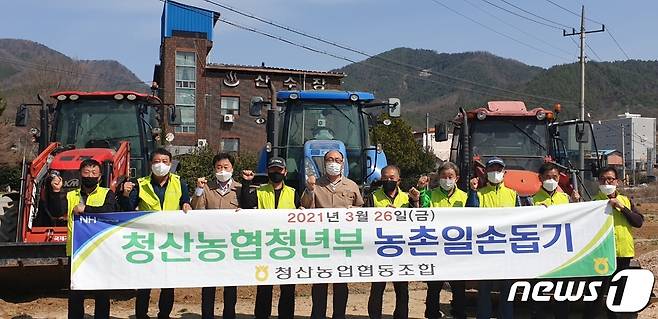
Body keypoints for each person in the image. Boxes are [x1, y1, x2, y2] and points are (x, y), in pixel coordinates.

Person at [118, 148, 192, 319]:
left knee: (167, 282)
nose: (161, 165)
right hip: (148, 239)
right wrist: (125, 194)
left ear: (170, 163)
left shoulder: (180, 183)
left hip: (170, 240)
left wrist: (187, 205)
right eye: (157, 161)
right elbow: (128, 209)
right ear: (151, 164)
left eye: (165, 161)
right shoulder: (141, 184)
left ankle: (164, 314)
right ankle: (141, 315)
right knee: (145, 282)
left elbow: (185, 202)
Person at [302, 150, 364, 319]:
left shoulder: (351, 186)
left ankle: (339, 315)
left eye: (337, 160)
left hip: (343, 241)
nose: (333, 162)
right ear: (324, 163)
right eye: (330, 159)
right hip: (321, 241)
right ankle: (318, 315)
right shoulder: (315, 184)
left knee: (341, 282)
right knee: (320, 282)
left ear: (342, 163)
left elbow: (361, 209)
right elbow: (305, 207)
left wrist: (356, 212)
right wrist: (309, 189)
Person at [240, 156, 300, 319]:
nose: (276, 173)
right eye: (273, 170)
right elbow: (246, 204)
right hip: (266, 246)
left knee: (288, 288)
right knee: (264, 287)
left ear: (285, 172)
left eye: (279, 170)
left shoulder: (293, 193)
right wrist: (246, 182)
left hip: (287, 246)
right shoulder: (259, 191)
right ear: (267, 172)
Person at [583, 166, 644, 319]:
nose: (607, 182)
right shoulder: (594, 203)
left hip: (622, 253)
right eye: (603, 179)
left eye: (610, 179)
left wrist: (621, 207)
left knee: (617, 294)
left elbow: (638, 222)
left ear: (617, 181)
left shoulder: (625, 201)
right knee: (595, 294)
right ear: (598, 182)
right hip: (600, 256)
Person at [466, 157, 521, 319]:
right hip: (485, 249)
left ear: (504, 173)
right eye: (491, 170)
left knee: (507, 289)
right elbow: (470, 214)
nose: (495, 173)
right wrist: (473, 191)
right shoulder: (479, 193)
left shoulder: (513, 194)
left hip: (506, 249)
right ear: (485, 172)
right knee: (484, 289)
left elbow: (521, 220)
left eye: (498, 170)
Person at [65, 159, 118, 319]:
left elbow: (109, 211)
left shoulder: (107, 193)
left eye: (94, 173)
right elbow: (55, 210)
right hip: (76, 251)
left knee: (102, 293)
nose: (90, 176)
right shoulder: (69, 195)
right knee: (75, 293)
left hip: (100, 251)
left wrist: (86, 209)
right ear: (80, 174)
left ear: (100, 176)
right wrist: (54, 192)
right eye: (86, 172)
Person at [191, 153, 241, 319]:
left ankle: (229, 314)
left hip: (232, 244)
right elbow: (197, 210)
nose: (222, 170)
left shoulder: (240, 189)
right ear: (214, 169)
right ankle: (207, 315)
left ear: (232, 169)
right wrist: (198, 190)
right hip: (211, 243)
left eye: (226, 167)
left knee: (230, 285)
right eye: (219, 167)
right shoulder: (206, 188)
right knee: (208, 284)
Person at [366, 165, 420, 319]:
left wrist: (415, 201)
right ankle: (374, 316)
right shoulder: (373, 196)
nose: (388, 180)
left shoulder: (407, 197)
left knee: (402, 288)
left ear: (398, 180)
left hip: (401, 249)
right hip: (379, 249)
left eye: (392, 178)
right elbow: (365, 221)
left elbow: (416, 221)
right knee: (377, 287)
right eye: (385, 178)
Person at [420, 162, 467, 319]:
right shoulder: (431, 195)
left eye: (450, 177)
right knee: (434, 286)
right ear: (438, 178)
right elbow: (423, 212)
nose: (447, 180)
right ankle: (432, 313)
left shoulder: (465, 197)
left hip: (457, 250)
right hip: (436, 249)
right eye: (443, 177)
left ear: (457, 178)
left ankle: (459, 313)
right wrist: (421, 190)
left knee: (458, 287)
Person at [530, 162, 571, 318]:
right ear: (540, 178)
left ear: (559, 178)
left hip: (561, 254)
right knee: (538, 293)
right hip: (540, 255)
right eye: (547, 177)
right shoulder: (531, 200)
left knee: (562, 294)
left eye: (554, 177)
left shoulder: (566, 198)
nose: (551, 180)